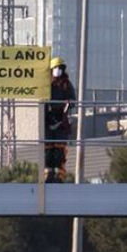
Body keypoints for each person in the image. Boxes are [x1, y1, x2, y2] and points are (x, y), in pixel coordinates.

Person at [44, 56, 76, 184]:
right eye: (56, 68)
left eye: (60, 68)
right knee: (47, 151)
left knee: (59, 151)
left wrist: (68, 103)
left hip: (61, 122)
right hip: (47, 121)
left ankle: (59, 176)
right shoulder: (46, 84)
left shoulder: (66, 84)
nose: (58, 70)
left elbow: (73, 100)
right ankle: (47, 175)